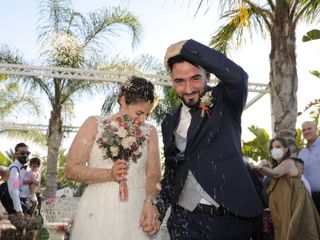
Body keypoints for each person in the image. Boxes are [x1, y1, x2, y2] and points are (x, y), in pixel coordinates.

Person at [152, 39, 263, 239]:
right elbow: (172, 170)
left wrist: (187, 47)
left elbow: (238, 77)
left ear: (208, 75)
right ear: (171, 80)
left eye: (195, 78)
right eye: (179, 81)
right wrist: (158, 209)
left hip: (231, 219)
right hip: (186, 221)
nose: (188, 88)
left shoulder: (226, 101)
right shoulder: (169, 121)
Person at [65, 76, 161, 240]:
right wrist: (108, 175)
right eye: (139, 112)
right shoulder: (94, 124)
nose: (142, 120)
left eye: (147, 114)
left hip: (137, 210)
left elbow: (153, 174)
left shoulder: (150, 132)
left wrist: (150, 201)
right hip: (98, 209)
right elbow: (71, 170)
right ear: (123, 100)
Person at [254, 137, 320, 240]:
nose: (274, 150)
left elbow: (275, 173)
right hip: (285, 211)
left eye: (278, 147)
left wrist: (260, 166)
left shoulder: (288, 163)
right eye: (272, 148)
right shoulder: (278, 167)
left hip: (295, 210)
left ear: (285, 150)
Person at [298, 121, 320, 213]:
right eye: (303, 130)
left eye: (309, 128)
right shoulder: (301, 153)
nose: (306, 131)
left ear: (316, 129)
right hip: (308, 198)